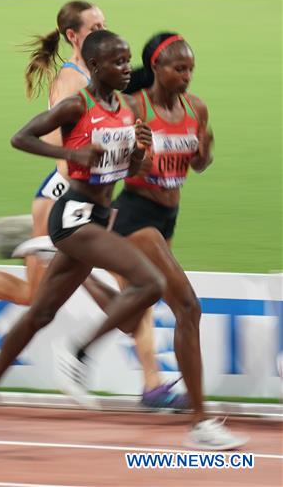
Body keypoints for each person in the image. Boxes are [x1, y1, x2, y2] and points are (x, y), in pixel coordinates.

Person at [0, 29, 246, 450]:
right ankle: (77, 352)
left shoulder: (124, 109)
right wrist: (72, 155)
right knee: (150, 283)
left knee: (40, 314)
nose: (127, 69)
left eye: (128, 62)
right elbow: (21, 138)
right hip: (74, 217)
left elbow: (124, 170)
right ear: (95, 66)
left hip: (102, 214)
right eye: (119, 63)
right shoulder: (78, 105)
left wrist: (140, 151)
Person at [0, 1, 178, 408]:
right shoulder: (72, 85)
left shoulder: (107, 82)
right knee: (96, 290)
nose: (104, 29)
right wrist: (78, 173)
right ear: (75, 37)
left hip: (92, 198)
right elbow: (58, 148)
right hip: (66, 196)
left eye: (106, 24)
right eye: (95, 26)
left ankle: (151, 381)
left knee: (98, 291)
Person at [108, 32, 236, 442]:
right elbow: (121, 172)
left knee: (132, 315)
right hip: (135, 214)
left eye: (191, 70)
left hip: (168, 215)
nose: (186, 76)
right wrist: (138, 155)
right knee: (187, 305)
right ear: (157, 68)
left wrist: (204, 151)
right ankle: (200, 421)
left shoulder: (195, 108)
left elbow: (197, 165)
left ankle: (72, 265)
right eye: (179, 69)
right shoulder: (134, 107)